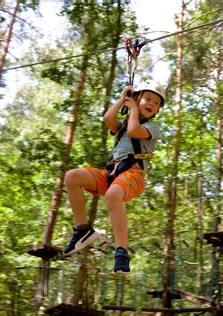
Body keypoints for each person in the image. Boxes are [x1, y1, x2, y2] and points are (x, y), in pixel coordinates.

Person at [62, 79, 165, 274]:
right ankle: (82, 230)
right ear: (136, 98)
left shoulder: (153, 128)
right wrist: (123, 99)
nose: (151, 104)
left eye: (156, 103)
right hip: (112, 174)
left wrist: (134, 108)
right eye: (148, 99)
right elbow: (108, 118)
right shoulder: (123, 125)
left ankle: (122, 252)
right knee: (72, 176)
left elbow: (134, 130)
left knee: (112, 196)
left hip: (134, 175)